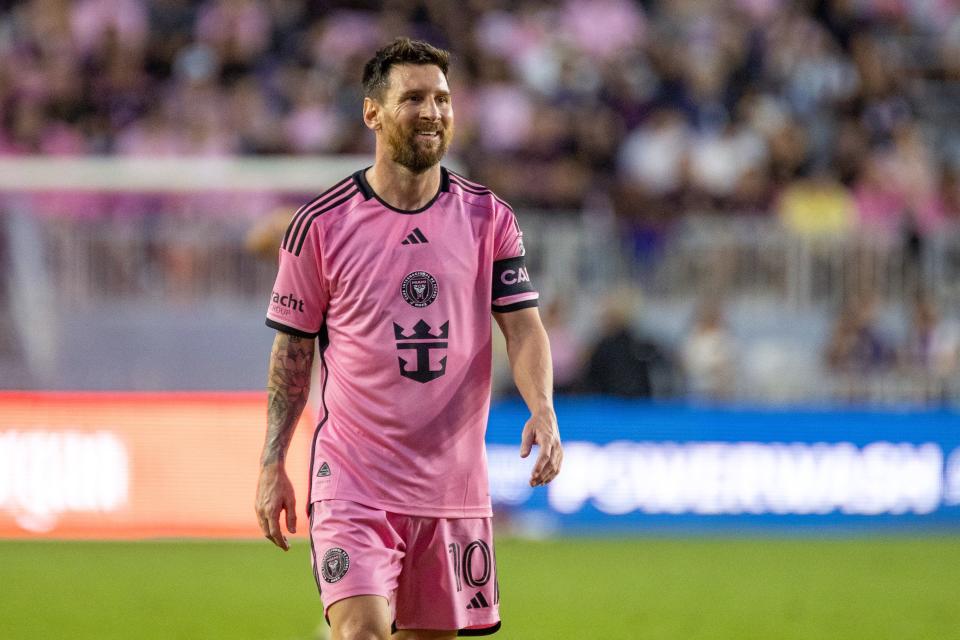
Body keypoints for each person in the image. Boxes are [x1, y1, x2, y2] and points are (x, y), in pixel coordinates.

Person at [254, 38, 562, 640]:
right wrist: (272, 463)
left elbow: (523, 325)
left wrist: (543, 407)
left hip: (453, 488)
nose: (432, 112)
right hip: (352, 482)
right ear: (371, 112)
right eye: (414, 97)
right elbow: (291, 354)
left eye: (442, 99)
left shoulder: (488, 218)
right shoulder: (320, 225)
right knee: (362, 632)